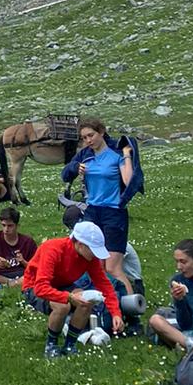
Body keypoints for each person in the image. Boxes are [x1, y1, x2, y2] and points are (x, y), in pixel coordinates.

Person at [21, 219, 123, 359]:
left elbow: (104, 284)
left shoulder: (89, 258)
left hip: (62, 284)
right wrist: (69, 297)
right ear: (80, 244)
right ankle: (51, 345)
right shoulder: (53, 249)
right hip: (34, 286)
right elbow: (40, 288)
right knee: (63, 306)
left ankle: (70, 344)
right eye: (92, 250)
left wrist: (115, 313)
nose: (95, 255)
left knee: (87, 301)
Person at [61, 119, 135, 294]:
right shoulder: (85, 155)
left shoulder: (115, 155)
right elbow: (64, 175)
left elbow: (128, 181)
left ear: (101, 132)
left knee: (112, 267)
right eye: (84, 137)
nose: (88, 140)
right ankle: (106, 307)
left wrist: (126, 155)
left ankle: (131, 308)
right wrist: (74, 168)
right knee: (93, 263)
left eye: (91, 135)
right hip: (92, 211)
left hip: (114, 212)